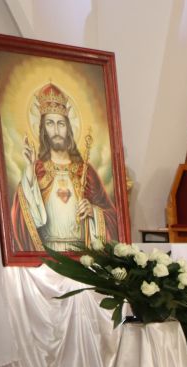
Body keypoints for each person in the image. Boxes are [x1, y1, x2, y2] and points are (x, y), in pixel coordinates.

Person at [12, 83, 118, 251]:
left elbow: (112, 216)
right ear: (43, 129)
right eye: (50, 123)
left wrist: (94, 212)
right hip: (49, 254)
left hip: (81, 255)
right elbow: (23, 217)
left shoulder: (85, 171)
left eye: (61, 123)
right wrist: (30, 169)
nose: (56, 130)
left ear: (68, 128)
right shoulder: (37, 170)